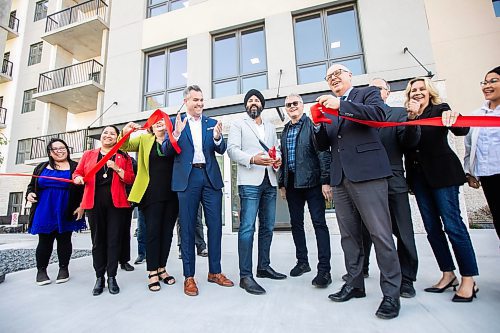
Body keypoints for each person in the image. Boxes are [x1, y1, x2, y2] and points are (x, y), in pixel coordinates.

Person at [313, 64, 402, 319]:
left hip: (368, 173)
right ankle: (354, 283)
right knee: (349, 236)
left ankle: (391, 294)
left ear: (349, 75)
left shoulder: (367, 93)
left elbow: (377, 115)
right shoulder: (329, 107)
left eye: (337, 74)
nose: (333, 79)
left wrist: (339, 106)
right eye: (329, 77)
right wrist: (318, 125)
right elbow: (323, 145)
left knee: (380, 234)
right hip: (340, 178)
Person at [404, 77, 479, 302]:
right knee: (432, 229)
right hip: (419, 179)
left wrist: (454, 118)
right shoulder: (408, 116)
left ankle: (468, 278)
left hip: (443, 175)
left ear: (430, 92)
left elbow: (461, 130)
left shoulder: (441, 109)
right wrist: (412, 118)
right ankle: (448, 274)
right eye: (413, 90)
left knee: (453, 226)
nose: (417, 93)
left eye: (421, 89)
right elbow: (406, 145)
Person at [163, 85, 234, 296]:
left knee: (215, 227)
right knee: (187, 228)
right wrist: (175, 134)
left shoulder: (211, 124)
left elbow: (221, 150)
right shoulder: (177, 124)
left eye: (202, 100)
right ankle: (189, 277)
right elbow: (166, 150)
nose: (200, 104)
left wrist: (219, 138)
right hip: (187, 179)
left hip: (210, 177)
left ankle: (215, 271)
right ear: (186, 101)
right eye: (196, 100)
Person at [356, 78, 420, 298]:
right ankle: (361, 269)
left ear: (387, 92)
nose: (373, 93)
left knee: (403, 232)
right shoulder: (361, 118)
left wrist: (413, 120)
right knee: (365, 230)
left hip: (393, 180)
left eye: (378, 89)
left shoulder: (398, 114)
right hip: (365, 182)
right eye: (369, 89)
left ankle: (407, 279)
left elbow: (409, 142)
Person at [227, 88, 286, 295]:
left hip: (269, 180)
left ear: (262, 105)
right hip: (249, 181)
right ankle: (246, 275)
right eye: (250, 100)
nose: (253, 103)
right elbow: (232, 150)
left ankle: (263, 267)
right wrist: (252, 159)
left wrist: (277, 158)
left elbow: (275, 149)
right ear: (246, 105)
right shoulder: (238, 124)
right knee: (247, 228)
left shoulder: (270, 127)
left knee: (268, 227)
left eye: (257, 100)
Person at [278, 93, 332, 288]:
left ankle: (324, 270)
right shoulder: (285, 131)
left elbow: (323, 153)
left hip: (314, 183)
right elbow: (283, 159)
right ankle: (303, 262)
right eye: (288, 104)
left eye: (295, 103)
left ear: (302, 105)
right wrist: (282, 184)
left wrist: (326, 181)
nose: (292, 106)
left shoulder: (312, 126)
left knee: (319, 224)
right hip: (292, 185)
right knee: (296, 224)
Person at [73, 126, 135, 296]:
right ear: (101, 137)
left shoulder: (123, 156)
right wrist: (77, 178)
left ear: (117, 138)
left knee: (114, 241)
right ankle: (99, 277)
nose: (108, 135)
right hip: (94, 203)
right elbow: (77, 173)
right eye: (105, 133)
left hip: (116, 204)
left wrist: (116, 167)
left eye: (112, 134)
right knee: (97, 241)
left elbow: (130, 178)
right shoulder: (88, 155)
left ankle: (112, 277)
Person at [121, 118, 179, 292]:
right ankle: (152, 271)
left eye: (163, 120)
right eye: (156, 121)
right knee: (153, 232)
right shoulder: (144, 139)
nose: (160, 122)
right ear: (151, 126)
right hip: (151, 193)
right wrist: (125, 132)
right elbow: (124, 147)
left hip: (172, 193)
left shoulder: (173, 140)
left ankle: (162, 268)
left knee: (167, 233)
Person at [26, 138, 86, 286]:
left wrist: (81, 206)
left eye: (62, 148)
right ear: (50, 153)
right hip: (44, 208)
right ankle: (41, 270)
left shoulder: (75, 167)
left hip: (66, 208)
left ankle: (63, 268)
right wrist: (29, 194)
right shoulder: (41, 167)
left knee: (64, 239)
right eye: (55, 149)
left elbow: (84, 188)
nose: (60, 151)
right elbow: (31, 185)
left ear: (67, 149)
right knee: (44, 241)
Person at [464, 66, 500, 239]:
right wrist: (470, 173)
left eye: (493, 81)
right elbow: (470, 146)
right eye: (484, 82)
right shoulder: (477, 115)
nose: (487, 86)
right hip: (489, 177)